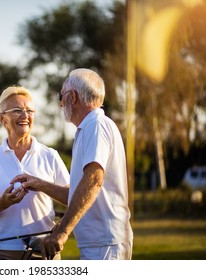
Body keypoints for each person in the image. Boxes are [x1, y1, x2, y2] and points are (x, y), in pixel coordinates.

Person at [12, 69, 133, 260]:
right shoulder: (88, 128)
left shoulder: (96, 125)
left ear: (72, 97)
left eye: (61, 96)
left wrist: (63, 231)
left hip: (104, 242)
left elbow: (94, 180)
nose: (60, 103)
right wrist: (39, 184)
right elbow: (79, 193)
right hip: (100, 242)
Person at [0, 86, 70, 260]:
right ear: (2, 118)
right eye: (17, 110)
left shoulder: (50, 155)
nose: (25, 115)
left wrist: (40, 184)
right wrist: (3, 202)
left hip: (42, 250)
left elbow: (73, 198)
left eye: (29, 110)